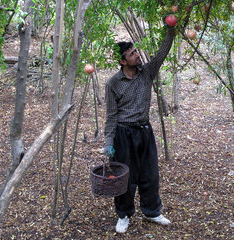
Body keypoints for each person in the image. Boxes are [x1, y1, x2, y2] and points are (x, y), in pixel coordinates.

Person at [103, 24, 175, 234]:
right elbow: (111, 115)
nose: (137, 55)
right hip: (123, 135)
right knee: (125, 176)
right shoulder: (113, 83)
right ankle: (123, 215)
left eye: (135, 51)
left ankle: (152, 211)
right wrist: (109, 143)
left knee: (150, 173)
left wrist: (170, 29)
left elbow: (163, 52)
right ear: (122, 61)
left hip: (144, 131)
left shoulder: (146, 73)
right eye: (131, 54)